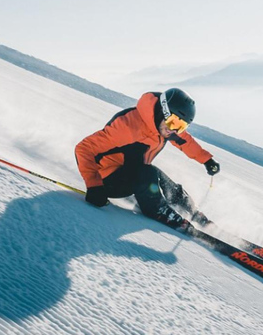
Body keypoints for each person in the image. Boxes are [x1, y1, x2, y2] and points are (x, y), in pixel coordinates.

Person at [75, 88, 220, 232]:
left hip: (132, 174)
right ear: (163, 111)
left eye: (181, 126)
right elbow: (84, 148)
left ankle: (192, 212)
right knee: (148, 174)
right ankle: (160, 210)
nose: (174, 130)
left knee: (158, 176)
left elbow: (185, 141)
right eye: (174, 122)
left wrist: (206, 160)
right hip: (106, 182)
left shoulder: (164, 127)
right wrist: (94, 185)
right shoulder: (127, 127)